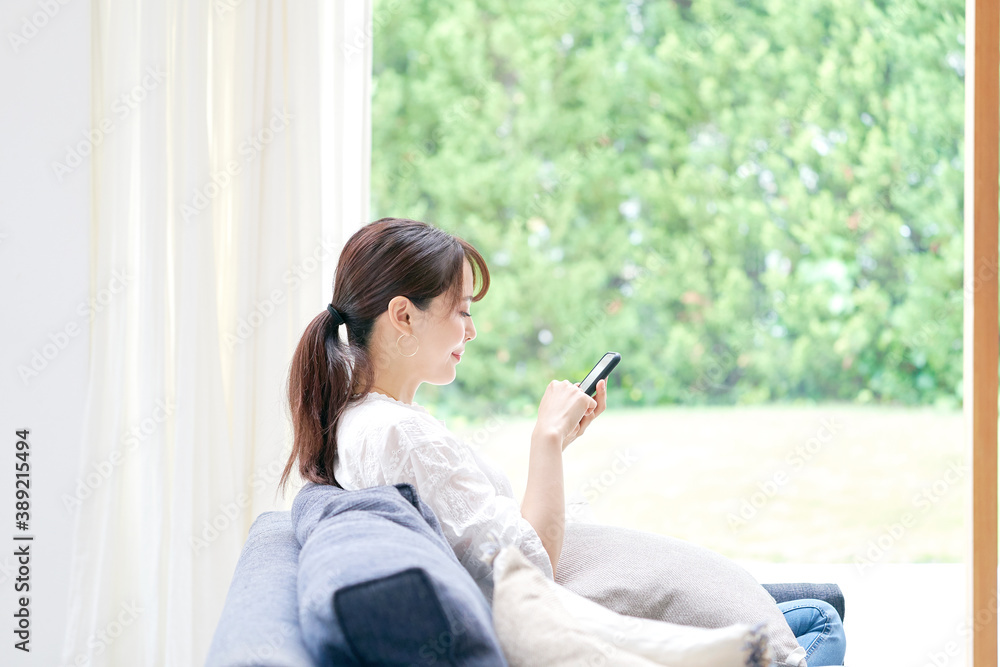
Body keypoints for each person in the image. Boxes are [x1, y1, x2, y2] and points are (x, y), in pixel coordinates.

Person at [278, 217, 846, 666]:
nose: (471, 330)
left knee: (817, 610)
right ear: (403, 316)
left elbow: (490, 537)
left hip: (596, 603)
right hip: (581, 616)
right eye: (461, 312)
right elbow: (528, 567)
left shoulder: (377, 423)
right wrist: (546, 440)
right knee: (821, 624)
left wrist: (558, 442)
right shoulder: (395, 434)